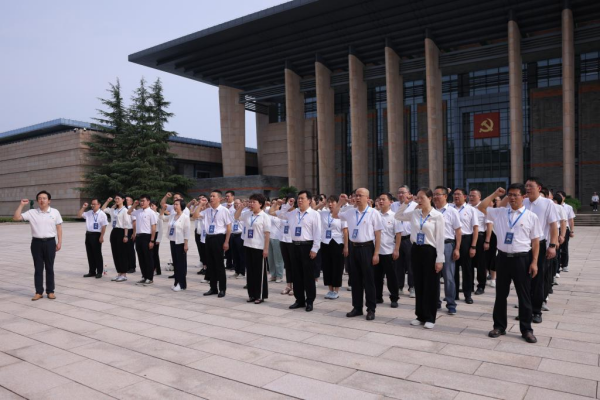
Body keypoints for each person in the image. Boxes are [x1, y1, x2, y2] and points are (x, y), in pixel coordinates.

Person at [478, 185, 541, 344]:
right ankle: (499, 326)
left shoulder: (531, 216)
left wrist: (534, 262)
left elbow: (535, 242)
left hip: (522, 259)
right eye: (510, 195)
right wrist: (495, 193)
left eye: (516, 195)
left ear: (523, 197)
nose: (512, 198)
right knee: (501, 295)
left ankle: (526, 329)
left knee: (524, 296)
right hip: (503, 259)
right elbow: (481, 207)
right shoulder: (500, 212)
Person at [395, 188, 445, 329]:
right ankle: (420, 315)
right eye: (417, 198)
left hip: (430, 251)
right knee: (419, 283)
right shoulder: (415, 213)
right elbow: (398, 216)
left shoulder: (437, 216)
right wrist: (406, 203)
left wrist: (440, 259)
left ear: (430, 198)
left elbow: (440, 239)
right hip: (416, 250)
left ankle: (430, 317)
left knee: (431, 285)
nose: (419, 200)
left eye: (422, 197)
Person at [332, 188, 382, 321]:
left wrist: (376, 253)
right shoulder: (350, 212)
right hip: (353, 248)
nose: (357, 198)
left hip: (367, 248)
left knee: (369, 280)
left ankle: (371, 308)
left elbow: (378, 234)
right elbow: (335, 214)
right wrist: (340, 202)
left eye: (360, 195)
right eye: (356, 195)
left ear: (367, 198)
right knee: (355, 280)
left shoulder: (373, 213)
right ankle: (357, 307)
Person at [272, 190, 321, 312]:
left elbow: (317, 233)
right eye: (298, 198)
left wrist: (315, 249)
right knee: (296, 274)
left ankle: (310, 301)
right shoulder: (293, 213)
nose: (299, 200)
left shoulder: (314, 214)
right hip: (294, 246)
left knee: (308, 276)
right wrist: (288, 205)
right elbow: (280, 214)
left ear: (309, 200)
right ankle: (299, 300)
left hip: (307, 246)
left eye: (302, 198)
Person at [13, 191, 63, 301]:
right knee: (38, 268)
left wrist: (59, 242)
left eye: (44, 198)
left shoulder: (55, 212)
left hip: (50, 242)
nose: (42, 200)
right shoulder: (32, 212)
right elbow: (16, 218)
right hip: (36, 243)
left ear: (49, 201)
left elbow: (59, 228)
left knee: (50, 267)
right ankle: (38, 292)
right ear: (37, 201)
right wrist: (21, 205)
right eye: (40, 198)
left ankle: (50, 291)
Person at [523, 177, 558, 323]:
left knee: (537, 278)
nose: (527, 188)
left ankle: (537, 311)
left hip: (540, 244)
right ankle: (525, 311)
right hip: (523, 245)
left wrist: (552, 245)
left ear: (539, 188)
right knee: (523, 280)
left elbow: (553, 226)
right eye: (526, 186)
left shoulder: (547, 203)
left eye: (530, 186)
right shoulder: (523, 202)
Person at [194, 190, 232, 297]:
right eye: (210, 196)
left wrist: (226, 242)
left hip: (219, 238)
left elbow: (229, 227)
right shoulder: (207, 211)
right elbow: (195, 216)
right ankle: (213, 288)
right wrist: (200, 204)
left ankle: (222, 289)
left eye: (213, 196)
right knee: (210, 264)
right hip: (208, 238)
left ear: (219, 198)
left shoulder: (224, 210)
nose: (211, 198)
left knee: (219, 264)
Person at [236, 194, 271, 303]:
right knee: (250, 272)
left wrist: (266, 249)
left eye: (253, 202)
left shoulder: (264, 216)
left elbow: (267, 234)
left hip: (259, 247)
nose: (251, 204)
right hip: (248, 245)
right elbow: (236, 217)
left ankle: (260, 295)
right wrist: (241, 207)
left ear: (260, 204)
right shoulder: (247, 214)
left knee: (259, 272)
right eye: (250, 202)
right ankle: (251, 294)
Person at [432, 186, 461, 315]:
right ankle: (435, 302)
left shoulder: (452, 211)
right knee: (434, 276)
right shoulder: (431, 211)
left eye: (438, 194)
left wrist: (457, 248)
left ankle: (451, 304)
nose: (435, 197)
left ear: (445, 196)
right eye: (434, 194)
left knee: (448, 276)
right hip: (432, 246)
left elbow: (458, 231)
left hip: (447, 245)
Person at [450, 188, 479, 304]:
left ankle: (468, 294)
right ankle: (454, 294)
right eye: (454, 194)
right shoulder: (450, 208)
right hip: (452, 240)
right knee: (453, 269)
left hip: (466, 240)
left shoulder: (471, 209)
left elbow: (475, 228)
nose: (456, 196)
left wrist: (473, 246)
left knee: (467, 269)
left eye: (459, 194)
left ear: (465, 196)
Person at [374, 193, 401, 307]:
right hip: (376, 251)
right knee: (377, 276)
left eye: (383, 199)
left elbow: (398, 234)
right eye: (379, 199)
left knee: (392, 277)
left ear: (390, 202)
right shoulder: (375, 215)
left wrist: (396, 249)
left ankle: (394, 298)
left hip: (389, 251)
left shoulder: (395, 216)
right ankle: (378, 297)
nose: (381, 201)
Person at [319, 195, 348, 300]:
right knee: (327, 267)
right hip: (325, 243)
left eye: (333, 202)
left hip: (337, 242)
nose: (330, 204)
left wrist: (346, 246)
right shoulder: (323, 213)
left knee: (337, 267)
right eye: (329, 202)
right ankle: (330, 289)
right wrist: (321, 204)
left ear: (337, 203)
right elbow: (312, 210)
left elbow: (345, 231)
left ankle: (336, 290)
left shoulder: (342, 215)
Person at [391, 185, 417, 297]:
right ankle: (399, 286)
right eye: (399, 192)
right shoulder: (393, 206)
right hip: (396, 239)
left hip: (409, 238)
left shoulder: (415, 206)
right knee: (398, 264)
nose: (400, 195)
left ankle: (412, 287)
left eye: (403, 192)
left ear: (409, 194)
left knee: (411, 264)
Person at [128, 195, 158, 286]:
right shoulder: (138, 211)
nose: (141, 203)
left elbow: (153, 227)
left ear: (148, 202)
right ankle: (144, 276)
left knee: (148, 258)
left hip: (147, 237)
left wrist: (152, 240)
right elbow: (129, 212)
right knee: (141, 258)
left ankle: (150, 278)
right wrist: (134, 205)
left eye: (143, 201)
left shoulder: (151, 213)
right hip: (138, 237)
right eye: (140, 201)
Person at [102, 194, 132, 282]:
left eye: (118, 198)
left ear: (123, 200)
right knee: (115, 253)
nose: (116, 200)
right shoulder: (113, 210)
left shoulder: (125, 210)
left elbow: (126, 224)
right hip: (114, 231)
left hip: (122, 232)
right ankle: (119, 273)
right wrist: (108, 201)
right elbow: (103, 209)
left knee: (122, 254)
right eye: (115, 199)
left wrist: (126, 235)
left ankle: (124, 274)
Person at [77, 199, 108, 278]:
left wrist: (101, 236)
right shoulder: (89, 213)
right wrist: (83, 207)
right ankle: (92, 271)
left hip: (96, 235)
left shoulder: (102, 214)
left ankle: (99, 271)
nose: (93, 206)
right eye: (92, 204)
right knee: (90, 254)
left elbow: (104, 226)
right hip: (88, 234)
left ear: (99, 205)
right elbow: (79, 215)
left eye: (94, 204)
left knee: (97, 254)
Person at [167, 199, 190, 291]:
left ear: (181, 206)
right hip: (173, 241)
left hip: (180, 242)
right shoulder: (172, 216)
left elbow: (187, 231)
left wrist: (186, 244)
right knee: (175, 263)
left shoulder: (185, 217)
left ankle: (181, 284)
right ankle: (176, 282)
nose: (175, 206)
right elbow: (162, 218)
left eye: (177, 204)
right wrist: (162, 209)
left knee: (181, 264)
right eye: (174, 204)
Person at [275, 196, 296, 296]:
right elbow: (279, 214)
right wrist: (286, 205)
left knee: (294, 264)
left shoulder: (297, 212)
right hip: (283, 240)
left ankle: (296, 286)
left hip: (292, 241)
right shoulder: (284, 212)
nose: (290, 202)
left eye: (292, 201)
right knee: (287, 265)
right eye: (288, 201)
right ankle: (288, 285)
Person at [469, 189, 488, 295]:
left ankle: (481, 285)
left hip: (480, 237)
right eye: (470, 195)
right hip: (468, 236)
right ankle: (469, 285)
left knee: (481, 263)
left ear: (479, 197)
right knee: (469, 263)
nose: (471, 197)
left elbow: (489, 224)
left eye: (474, 196)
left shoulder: (483, 208)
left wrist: (487, 240)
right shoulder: (467, 207)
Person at [484, 196, 502, 288]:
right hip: (491, 236)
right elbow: (489, 226)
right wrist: (487, 240)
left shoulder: (501, 211)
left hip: (498, 237)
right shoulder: (490, 211)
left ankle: (493, 278)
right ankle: (490, 278)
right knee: (489, 258)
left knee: (494, 258)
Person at [556, 190, 575, 273]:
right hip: (556, 229)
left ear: (564, 198)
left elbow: (571, 220)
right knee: (556, 248)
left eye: (560, 196)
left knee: (564, 248)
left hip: (565, 229)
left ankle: (564, 265)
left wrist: (572, 231)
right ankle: (557, 266)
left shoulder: (568, 207)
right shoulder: (553, 206)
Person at [268, 200, 285, 283]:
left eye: (278, 204)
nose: (275, 206)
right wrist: (275, 204)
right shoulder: (270, 214)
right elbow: (269, 211)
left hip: (277, 237)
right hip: (269, 237)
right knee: (270, 258)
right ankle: (273, 274)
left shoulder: (281, 214)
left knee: (278, 258)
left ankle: (279, 275)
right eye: (274, 204)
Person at [230, 198, 246, 279]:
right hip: (233, 234)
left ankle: (242, 272)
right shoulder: (232, 212)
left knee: (241, 255)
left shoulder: (244, 213)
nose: (236, 205)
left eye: (237, 203)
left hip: (240, 235)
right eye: (235, 204)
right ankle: (236, 271)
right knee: (234, 255)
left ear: (241, 204)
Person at [125, 195, 138, 273]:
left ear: (131, 202)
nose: (126, 201)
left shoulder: (133, 210)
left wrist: (134, 233)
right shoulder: (123, 208)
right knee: (125, 250)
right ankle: (127, 266)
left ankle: (132, 267)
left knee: (130, 249)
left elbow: (134, 222)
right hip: (124, 230)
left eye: (127, 200)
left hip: (130, 230)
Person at [224, 190, 236, 271]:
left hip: (233, 230)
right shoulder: (223, 205)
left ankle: (234, 265)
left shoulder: (236, 205)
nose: (227, 198)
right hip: (224, 230)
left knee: (233, 249)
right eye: (226, 196)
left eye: (228, 196)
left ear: (233, 197)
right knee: (226, 249)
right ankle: (228, 264)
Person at [150, 202, 162, 276]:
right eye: (150, 206)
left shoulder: (158, 215)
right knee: (150, 253)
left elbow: (161, 228)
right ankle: (151, 268)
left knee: (155, 253)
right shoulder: (149, 214)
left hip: (156, 235)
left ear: (156, 207)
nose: (151, 207)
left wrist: (158, 239)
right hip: (149, 234)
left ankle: (156, 269)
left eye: (152, 205)